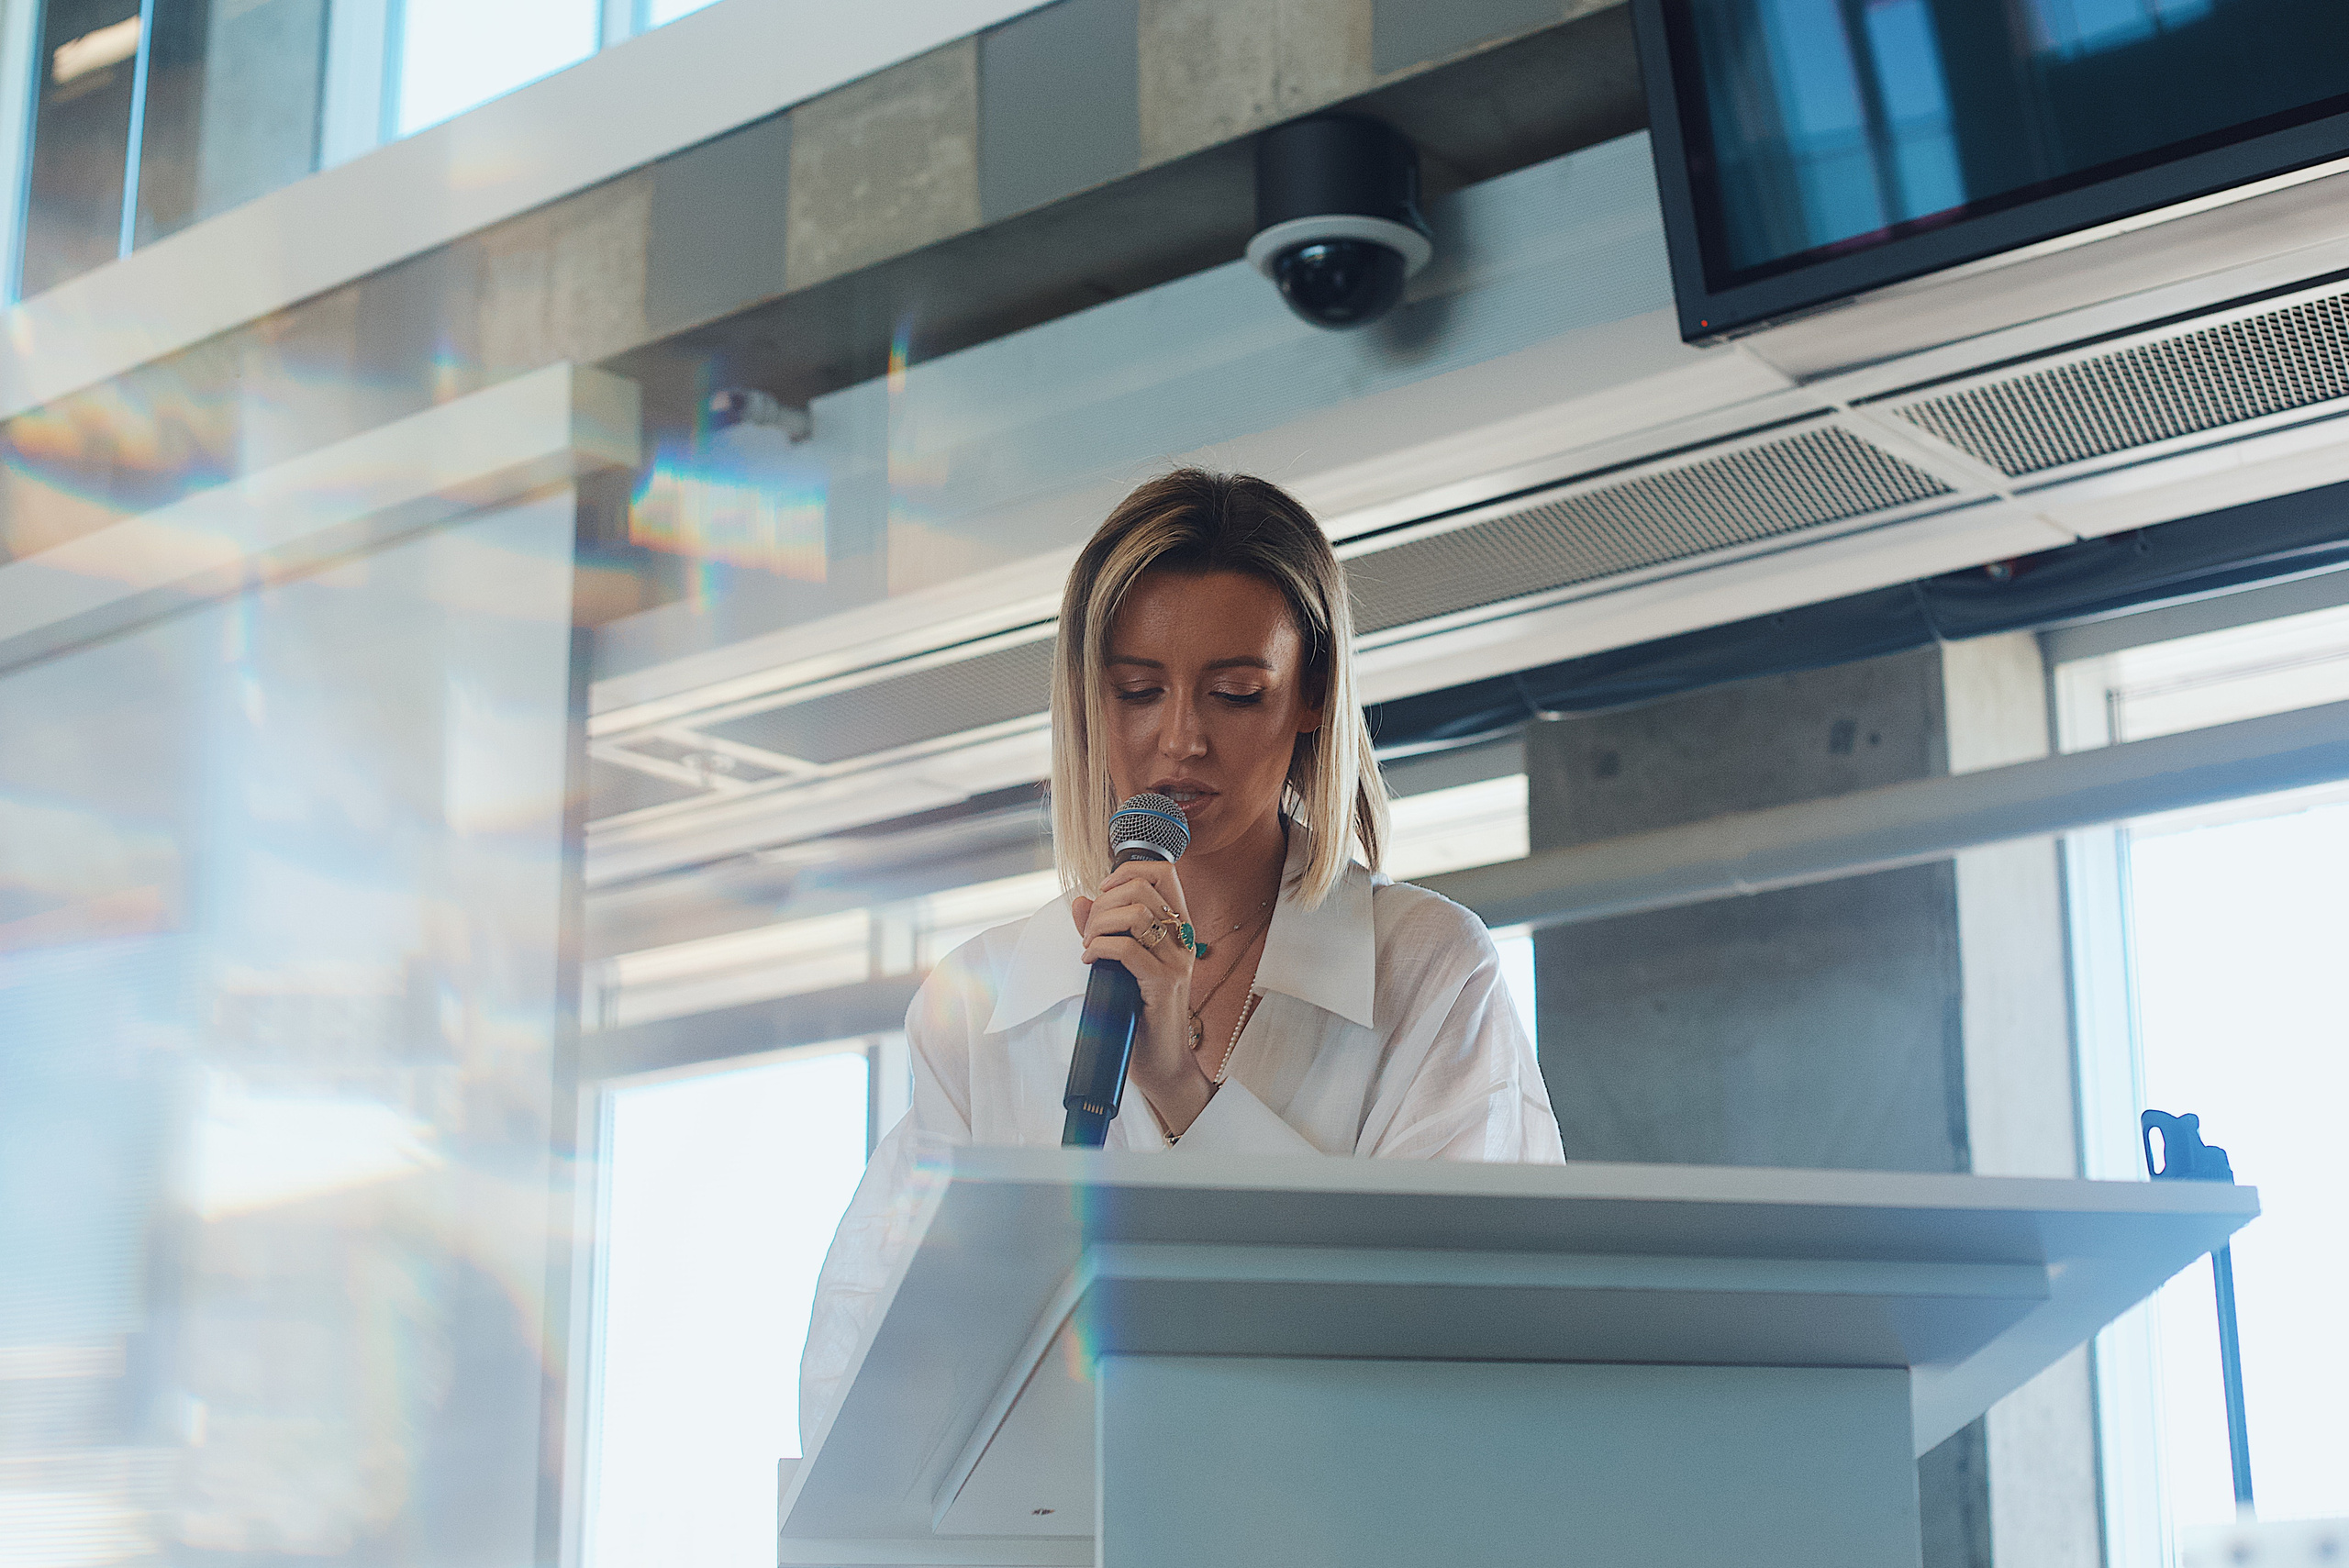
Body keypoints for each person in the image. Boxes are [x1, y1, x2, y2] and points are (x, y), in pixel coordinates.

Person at [797, 469, 1564, 1437]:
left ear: (1313, 696)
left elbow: (1454, 1340)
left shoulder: (1423, 968)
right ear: (1088, 701)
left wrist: (1179, 1085)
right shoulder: (985, 1001)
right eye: (1136, 690)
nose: (1180, 739)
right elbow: (867, 1381)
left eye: (1236, 693)